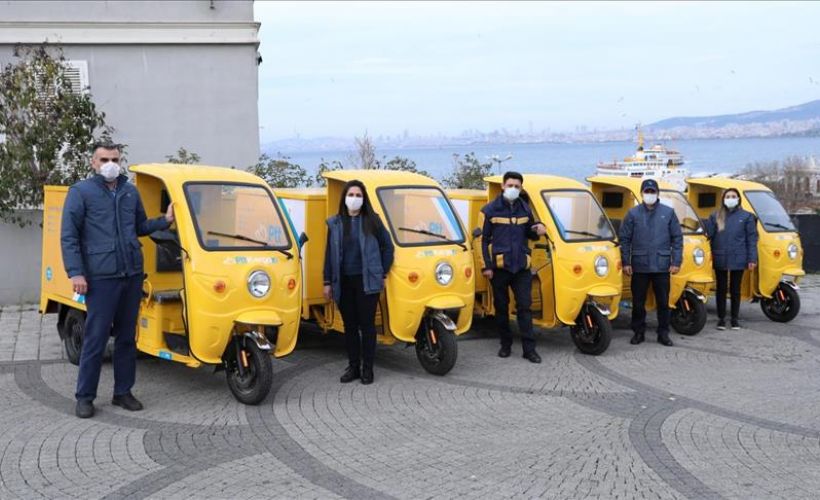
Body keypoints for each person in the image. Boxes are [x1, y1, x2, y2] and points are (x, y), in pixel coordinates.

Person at [61, 142, 174, 418]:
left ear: (120, 161)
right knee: (96, 339)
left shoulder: (129, 192)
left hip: (132, 275)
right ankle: (85, 397)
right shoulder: (80, 193)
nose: (109, 163)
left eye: (114, 158)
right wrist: (76, 272)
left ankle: (123, 392)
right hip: (100, 278)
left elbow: (139, 227)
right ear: (93, 162)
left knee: (126, 338)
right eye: (104, 159)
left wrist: (164, 220)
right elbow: (69, 236)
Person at [323, 180, 394, 385]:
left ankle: (367, 368)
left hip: (367, 282)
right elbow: (329, 254)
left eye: (358, 195)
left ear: (364, 199)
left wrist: (382, 272)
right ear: (344, 197)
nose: (354, 199)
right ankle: (353, 366)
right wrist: (327, 281)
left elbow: (387, 248)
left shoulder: (373, 221)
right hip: (343, 282)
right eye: (351, 195)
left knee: (368, 326)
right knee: (350, 326)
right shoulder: (334, 223)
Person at [481, 171, 548, 363]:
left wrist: (539, 230)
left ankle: (529, 350)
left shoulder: (525, 209)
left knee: (525, 308)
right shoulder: (489, 210)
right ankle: (505, 345)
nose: (513, 189)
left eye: (517, 187)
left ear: (521, 188)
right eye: (510, 185)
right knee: (501, 309)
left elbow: (531, 233)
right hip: (500, 267)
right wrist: (486, 266)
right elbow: (482, 241)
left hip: (521, 267)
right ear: (502, 186)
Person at [619, 179, 683, 347]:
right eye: (646, 192)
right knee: (638, 302)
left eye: (652, 191)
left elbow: (677, 239)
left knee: (663, 302)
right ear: (641, 193)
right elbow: (624, 239)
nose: (649, 195)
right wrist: (626, 262)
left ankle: (663, 333)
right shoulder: (632, 214)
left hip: (662, 266)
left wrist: (676, 261)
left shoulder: (668, 213)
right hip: (639, 266)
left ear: (657, 193)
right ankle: (638, 332)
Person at [704, 188, 758, 330]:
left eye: (733, 196)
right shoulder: (716, 215)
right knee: (721, 289)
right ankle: (721, 319)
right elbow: (708, 234)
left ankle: (734, 318)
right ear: (723, 199)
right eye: (728, 196)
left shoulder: (746, 216)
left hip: (739, 257)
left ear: (739, 199)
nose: (731, 198)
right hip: (720, 256)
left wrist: (752, 258)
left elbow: (751, 239)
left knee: (735, 289)